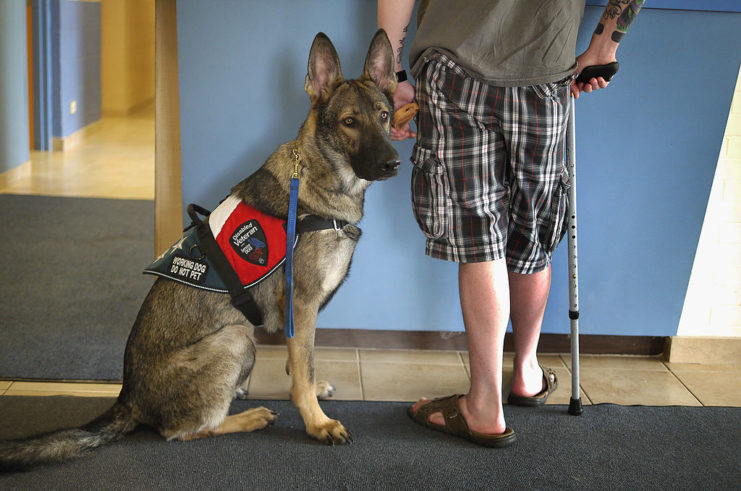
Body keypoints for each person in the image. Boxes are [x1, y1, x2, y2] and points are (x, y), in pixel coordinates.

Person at [378, 0, 643, 447]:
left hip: (453, 66)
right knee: (531, 232)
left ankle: (484, 404)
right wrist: (603, 45)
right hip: (544, 70)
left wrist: (393, 75)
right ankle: (526, 372)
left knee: (479, 234)